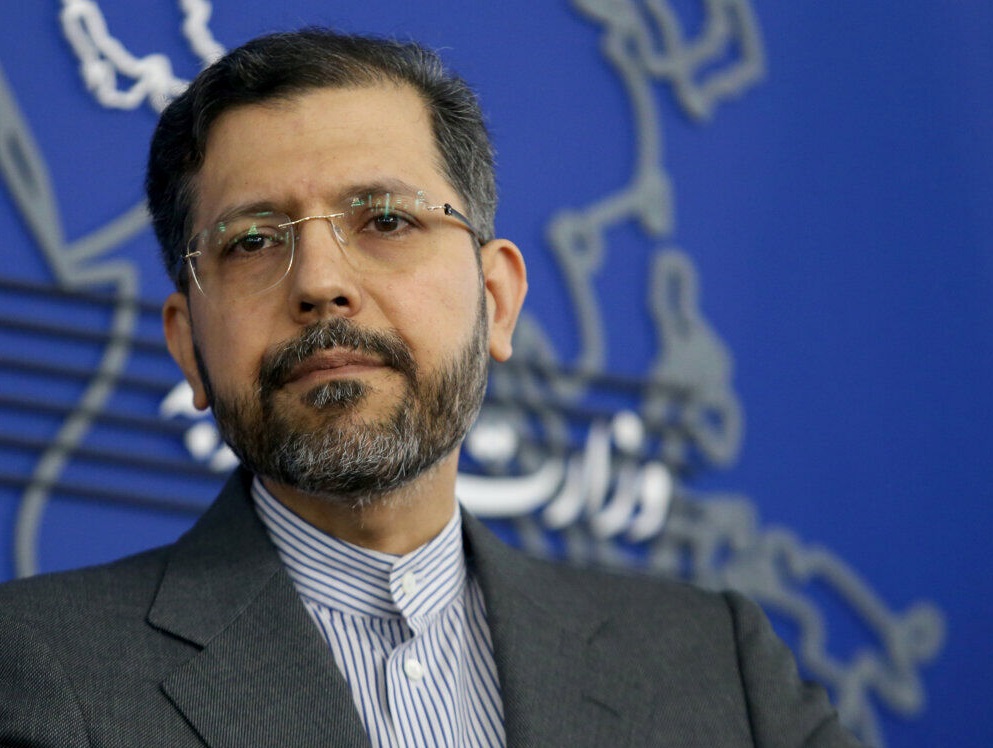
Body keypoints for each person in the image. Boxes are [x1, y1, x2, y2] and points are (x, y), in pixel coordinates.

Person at [0, 28, 862, 747]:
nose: (320, 283)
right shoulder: (42, 669)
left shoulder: (718, 668)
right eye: (253, 241)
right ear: (188, 345)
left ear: (496, 301)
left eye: (386, 220)